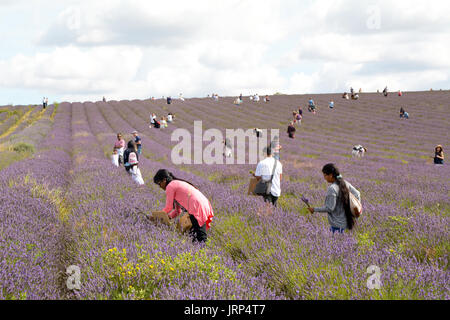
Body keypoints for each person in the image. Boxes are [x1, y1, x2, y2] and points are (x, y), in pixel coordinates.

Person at [153, 169, 214, 243]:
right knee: (193, 235)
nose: (160, 186)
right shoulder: (176, 183)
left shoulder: (170, 186)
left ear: (164, 180)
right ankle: (199, 251)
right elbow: (178, 211)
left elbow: (169, 207)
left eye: (159, 183)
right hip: (202, 204)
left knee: (200, 236)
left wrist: (157, 217)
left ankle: (204, 252)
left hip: (196, 207)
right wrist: (168, 217)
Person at [307, 163, 361, 233]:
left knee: (336, 242)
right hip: (348, 223)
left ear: (331, 175)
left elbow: (330, 208)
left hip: (337, 225)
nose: (324, 178)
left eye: (325, 175)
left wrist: (314, 209)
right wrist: (355, 209)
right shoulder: (345, 183)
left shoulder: (332, 189)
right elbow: (357, 194)